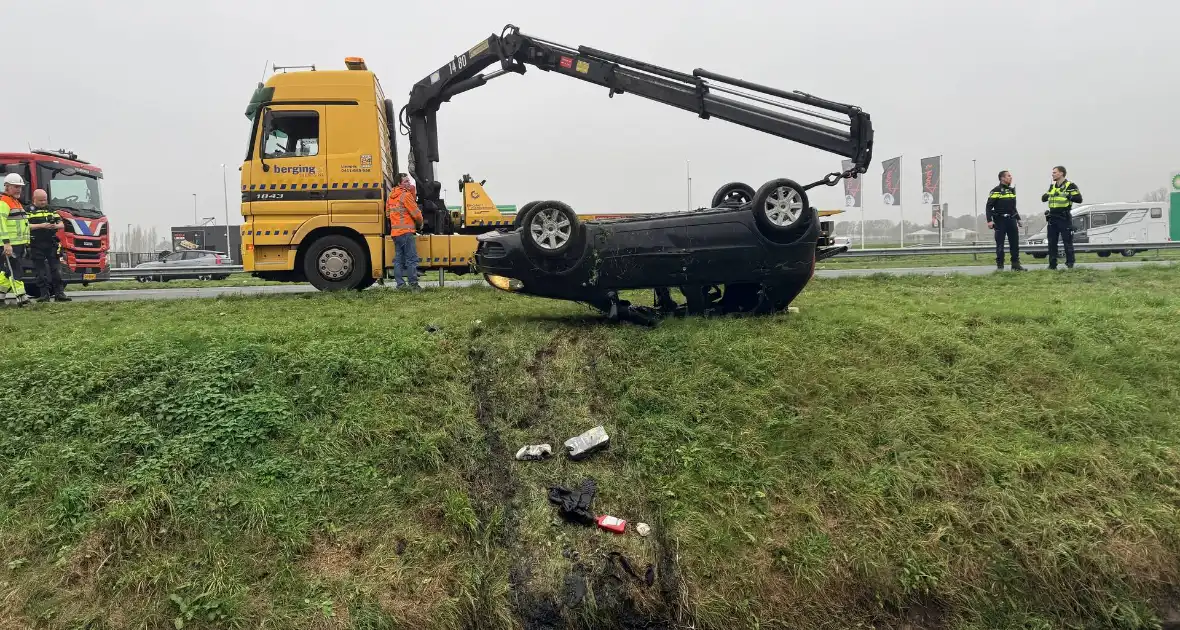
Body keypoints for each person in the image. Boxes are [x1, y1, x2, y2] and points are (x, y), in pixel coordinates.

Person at [26, 188, 70, 302]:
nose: (43, 202)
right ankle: (44, 295)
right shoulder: (28, 210)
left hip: (51, 243)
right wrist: (42, 225)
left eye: (45, 200)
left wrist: (55, 226)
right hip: (36, 243)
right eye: (41, 200)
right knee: (40, 271)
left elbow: (61, 224)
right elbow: (25, 226)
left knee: (56, 269)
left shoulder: (51, 209)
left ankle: (59, 294)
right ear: (34, 199)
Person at [1041, 165, 1082, 270]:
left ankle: (1070, 265)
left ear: (1061, 173)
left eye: (1054, 172)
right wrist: (1046, 196)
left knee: (1067, 242)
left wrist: (1068, 195)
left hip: (1064, 217)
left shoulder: (1070, 185)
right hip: (1052, 217)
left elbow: (1079, 199)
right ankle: (1052, 265)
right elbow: (1044, 198)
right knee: (1052, 242)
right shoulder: (1052, 186)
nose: (1052, 174)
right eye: (1053, 172)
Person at [387, 173, 423, 290]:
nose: (409, 183)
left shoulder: (391, 196)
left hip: (396, 234)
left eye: (409, 181)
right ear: (399, 183)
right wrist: (419, 224)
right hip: (406, 232)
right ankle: (414, 285)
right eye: (406, 181)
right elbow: (416, 214)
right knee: (411, 259)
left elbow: (388, 214)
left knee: (398, 260)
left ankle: (400, 285)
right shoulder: (406, 195)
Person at [0, 173, 31, 306]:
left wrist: (26, 242)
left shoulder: (16, 202)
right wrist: (6, 244)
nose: (19, 189)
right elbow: (1, 223)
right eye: (15, 186)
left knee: (7, 272)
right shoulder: (4, 202)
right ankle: (22, 298)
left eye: (20, 187)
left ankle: (0, 296)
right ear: (7, 187)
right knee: (15, 270)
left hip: (18, 244)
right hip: (9, 244)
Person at [986, 170, 1025, 271]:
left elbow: (1013, 207)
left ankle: (1015, 265)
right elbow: (989, 207)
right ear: (1002, 178)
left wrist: (1018, 219)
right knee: (1000, 244)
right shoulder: (996, 190)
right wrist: (989, 220)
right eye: (1008, 176)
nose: (1010, 177)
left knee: (1014, 244)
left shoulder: (1011, 191)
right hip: (1000, 221)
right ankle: (1000, 266)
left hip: (1011, 220)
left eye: (1010, 176)